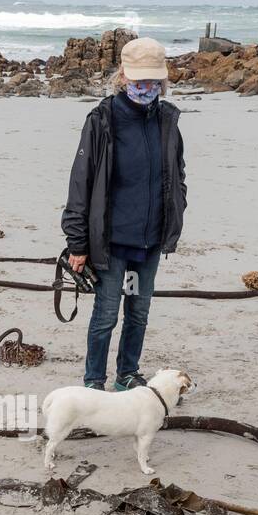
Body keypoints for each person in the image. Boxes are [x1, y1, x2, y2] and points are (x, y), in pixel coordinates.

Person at [61, 36, 186, 392]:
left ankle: (127, 375)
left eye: (152, 81)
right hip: (111, 242)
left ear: (162, 82)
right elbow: (80, 184)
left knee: (138, 313)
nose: (145, 87)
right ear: (123, 76)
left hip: (149, 240)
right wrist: (77, 243)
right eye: (138, 80)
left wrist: (177, 210)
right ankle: (93, 384)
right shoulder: (102, 120)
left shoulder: (167, 120)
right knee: (105, 316)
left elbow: (178, 173)